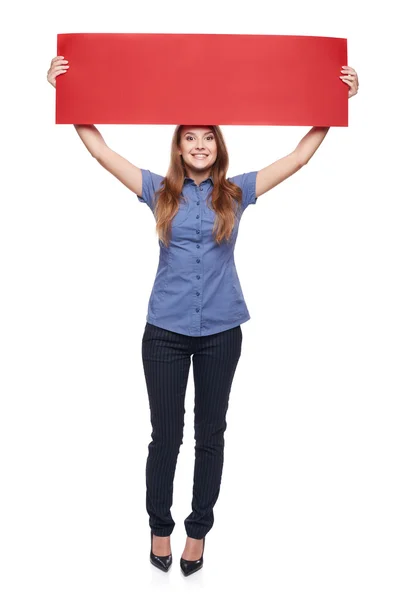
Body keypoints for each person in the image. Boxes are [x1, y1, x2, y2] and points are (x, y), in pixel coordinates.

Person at [47, 56, 359, 576]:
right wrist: (67, 92)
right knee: (165, 436)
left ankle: (198, 532)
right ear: (178, 146)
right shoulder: (157, 191)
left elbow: (298, 158)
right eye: (189, 137)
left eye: (207, 138)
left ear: (218, 146)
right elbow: (102, 153)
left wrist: (333, 104)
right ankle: (159, 527)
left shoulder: (236, 192)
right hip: (164, 333)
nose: (198, 145)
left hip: (220, 333)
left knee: (210, 435)